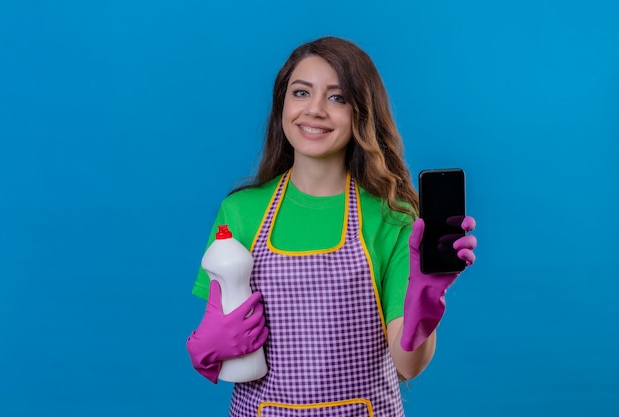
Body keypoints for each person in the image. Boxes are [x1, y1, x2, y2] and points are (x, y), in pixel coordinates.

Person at [186, 36, 477, 416]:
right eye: (301, 92)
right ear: (282, 105)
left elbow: (408, 365)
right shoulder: (240, 212)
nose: (315, 110)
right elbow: (216, 329)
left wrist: (424, 300)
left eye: (337, 97)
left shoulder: (392, 216)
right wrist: (204, 347)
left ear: (362, 113)